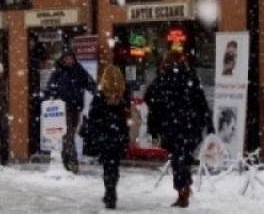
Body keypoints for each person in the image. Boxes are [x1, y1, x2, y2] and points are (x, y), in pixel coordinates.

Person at [144, 51, 212, 208]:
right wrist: (207, 124)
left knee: (178, 158)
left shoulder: (163, 78)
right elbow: (201, 102)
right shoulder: (190, 76)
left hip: (171, 126)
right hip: (190, 125)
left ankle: (183, 190)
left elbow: (150, 99)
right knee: (184, 158)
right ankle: (184, 188)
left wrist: (154, 127)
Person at [45, 49, 97, 173]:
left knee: (70, 135)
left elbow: (90, 84)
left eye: (70, 58)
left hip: (76, 108)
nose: (68, 61)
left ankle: (66, 160)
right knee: (68, 134)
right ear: (63, 59)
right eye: (66, 58)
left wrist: (97, 94)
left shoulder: (79, 71)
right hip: (62, 109)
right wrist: (52, 98)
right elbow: (50, 88)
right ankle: (72, 162)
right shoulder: (58, 72)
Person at [86, 63, 129, 210]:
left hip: (104, 136)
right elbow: (125, 116)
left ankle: (109, 192)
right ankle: (111, 191)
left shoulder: (100, 96)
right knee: (114, 165)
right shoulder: (122, 96)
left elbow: (92, 115)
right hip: (118, 135)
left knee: (107, 165)